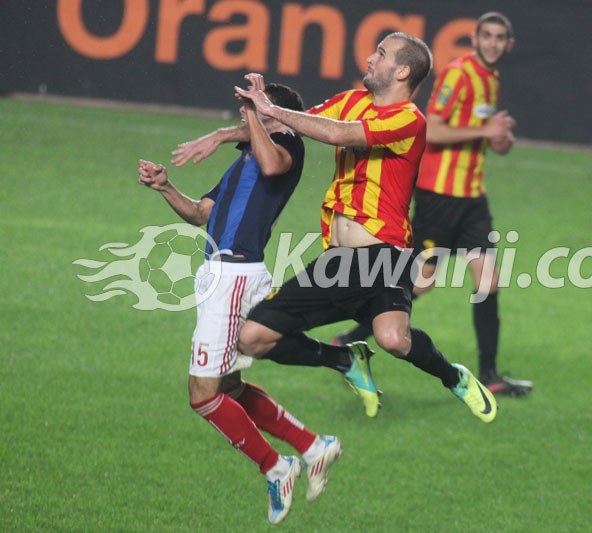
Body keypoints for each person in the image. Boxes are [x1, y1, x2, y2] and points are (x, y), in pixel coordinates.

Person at [232, 32, 498, 423]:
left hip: (375, 255)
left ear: (402, 70)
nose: (371, 59)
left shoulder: (409, 119)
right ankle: (452, 376)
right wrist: (229, 130)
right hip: (362, 259)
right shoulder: (351, 101)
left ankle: (342, 358)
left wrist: (269, 107)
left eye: (382, 53)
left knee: (251, 338)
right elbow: (301, 124)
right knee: (394, 339)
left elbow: (336, 134)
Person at [137, 75, 341, 525]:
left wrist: (255, 108)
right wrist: (166, 187)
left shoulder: (286, 149)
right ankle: (312, 446)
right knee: (229, 387)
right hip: (222, 273)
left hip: (233, 275)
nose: (243, 119)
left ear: (273, 114)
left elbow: (272, 162)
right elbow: (200, 214)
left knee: (203, 395)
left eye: (252, 109)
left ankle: (276, 466)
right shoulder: (243, 163)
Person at [333, 13, 532, 397]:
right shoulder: (458, 74)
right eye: (486, 36)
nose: (492, 43)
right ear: (474, 39)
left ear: (509, 44)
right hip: (439, 196)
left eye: (499, 37)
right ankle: (350, 339)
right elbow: (435, 128)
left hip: (472, 198)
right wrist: (485, 131)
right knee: (421, 283)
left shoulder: (491, 79)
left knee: (488, 282)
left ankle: (489, 373)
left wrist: (497, 141)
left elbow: (478, 134)